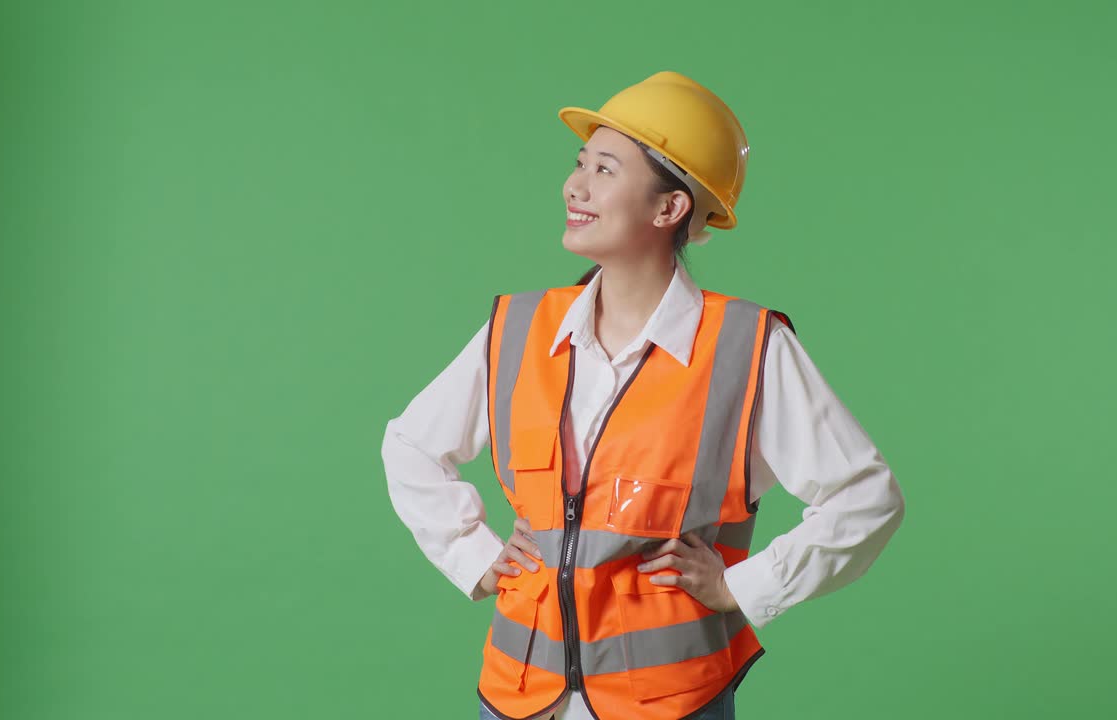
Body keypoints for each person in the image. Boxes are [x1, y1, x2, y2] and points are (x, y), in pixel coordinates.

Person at [382, 71, 906, 720]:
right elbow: (409, 444)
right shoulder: (518, 330)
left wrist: (745, 586)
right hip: (521, 697)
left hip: (670, 705)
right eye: (579, 165)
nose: (574, 186)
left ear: (670, 208)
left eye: (605, 169)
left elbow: (865, 496)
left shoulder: (746, 347)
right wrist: (474, 554)